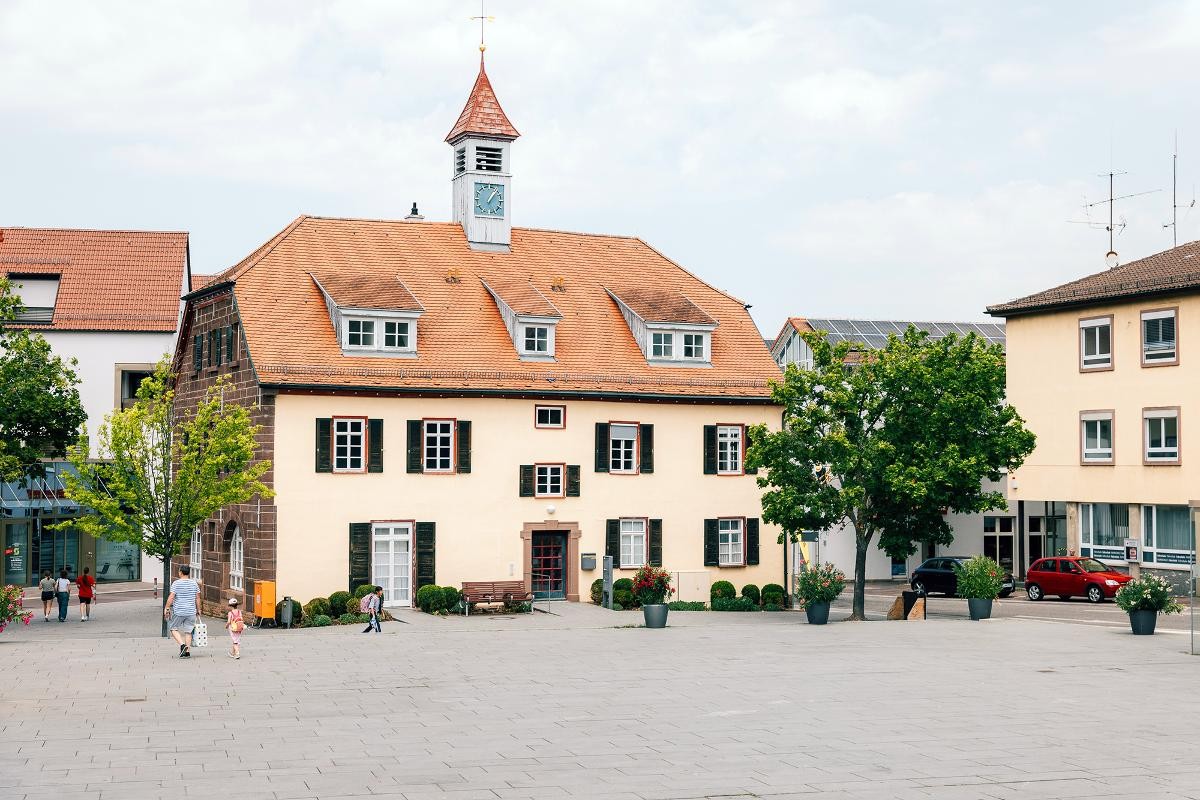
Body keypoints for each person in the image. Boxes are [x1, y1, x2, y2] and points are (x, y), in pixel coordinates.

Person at [163, 564, 200, 658]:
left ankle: (182, 645)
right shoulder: (194, 583)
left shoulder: (176, 583)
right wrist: (198, 609)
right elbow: (198, 598)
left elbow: (171, 597)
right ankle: (187, 652)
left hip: (179, 611)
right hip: (191, 611)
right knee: (188, 631)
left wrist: (167, 608)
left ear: (180, 572)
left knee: (173, 628)